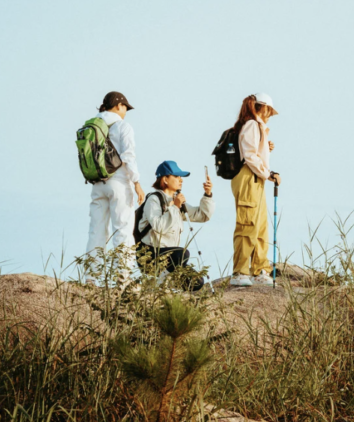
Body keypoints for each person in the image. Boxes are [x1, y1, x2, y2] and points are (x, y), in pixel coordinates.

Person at [85, 92, 145, 266]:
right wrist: (137, 183)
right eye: (125, 107)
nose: (125, 111)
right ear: (119, 105)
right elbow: (128, 156)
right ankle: (123, 275)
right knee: (123, 229)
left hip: (97, 183)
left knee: (96, 230)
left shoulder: (92, 125)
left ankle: (91, 277)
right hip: (118, 182)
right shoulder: (122, 126)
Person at [136, 161, 215, 290]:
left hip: (169, 257)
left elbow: (202, 215)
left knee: (197, 281)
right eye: (176, 176)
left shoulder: (175, 200)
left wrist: (207, 194)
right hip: (149, 254)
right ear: (165, 179)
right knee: (182, 254)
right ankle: (158, 284)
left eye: (181, 177)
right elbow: (158, 226)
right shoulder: (154, 200)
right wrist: (175, 207)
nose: (181, 180)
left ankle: (165, 286)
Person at [230, 93, 279, 287]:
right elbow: (249, 156)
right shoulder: (252, 125)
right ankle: (240, 272)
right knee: (247, 224)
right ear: (263, 108)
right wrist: (268, 174)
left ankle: (259, 270)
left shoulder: (256, 126)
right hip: (248, 176)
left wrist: (266, 148)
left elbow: (254, 152)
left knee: (260, 226)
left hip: (255, 177)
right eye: (269, 111)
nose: (270, 115)